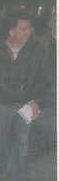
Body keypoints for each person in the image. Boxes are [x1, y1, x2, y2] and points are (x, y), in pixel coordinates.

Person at [0, 13, 52, 181]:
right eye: (23, 28)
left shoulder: (36, 50)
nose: (28, 32)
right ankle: (0, 160)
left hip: (25, 105)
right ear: (11, 31)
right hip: (0, 105)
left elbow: (47, 80)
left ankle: (14, 179)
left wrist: (37, 102)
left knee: (21, 144)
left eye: (29, 28)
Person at [34, 12, 56, 152]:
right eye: (54, 20)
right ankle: (47, 143)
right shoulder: (41, 41)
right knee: (45, 114)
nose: (57, 22)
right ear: (49, 23)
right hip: (48, 84)